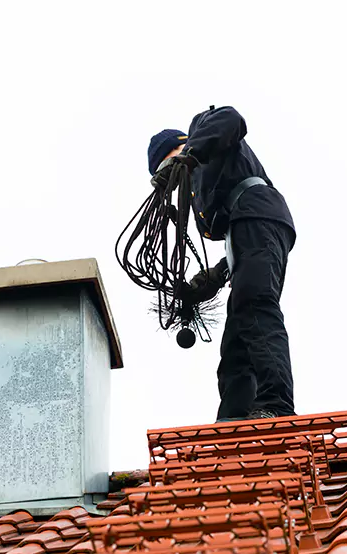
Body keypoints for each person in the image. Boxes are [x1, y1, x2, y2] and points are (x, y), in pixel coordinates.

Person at [147, 106, 297, 422]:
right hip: (247, 230)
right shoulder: (205, 191)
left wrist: (188, 155)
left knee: (255, 306)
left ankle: (276, 406)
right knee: (235, 344)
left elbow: (232, 118)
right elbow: (242, 240)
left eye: (167, 164)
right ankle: (233, 421)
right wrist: (215, 277)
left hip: (258, 213)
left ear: (177, 148)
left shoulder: (203, 131)